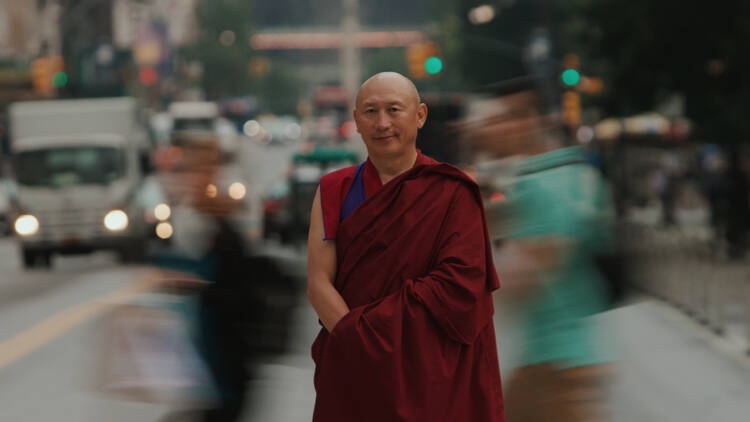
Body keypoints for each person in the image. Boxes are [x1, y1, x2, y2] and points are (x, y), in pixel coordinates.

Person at [306, 72, 505, 421]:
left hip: (432, 373)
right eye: (370, 111)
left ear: (420, 115)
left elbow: (459, 287)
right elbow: (318, 282)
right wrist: (359, 344)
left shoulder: (452, 193)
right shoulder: (333, 191)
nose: (382, 123)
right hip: (357, 371)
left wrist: (365, 335)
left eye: (394, 109)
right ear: (355, 120)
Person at [473, 76, 616, 422]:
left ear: (529, 122)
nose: (487, 131)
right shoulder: (570, 171)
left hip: (557, 366)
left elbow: (530, 272)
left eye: (499, 120)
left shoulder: (544, 183)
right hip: (562, 359)